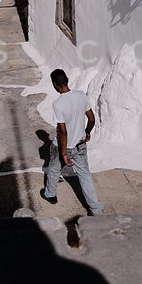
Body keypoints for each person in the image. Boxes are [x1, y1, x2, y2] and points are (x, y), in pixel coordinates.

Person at [41, 69, 105, 216]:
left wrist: (63, 153)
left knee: (54, 168)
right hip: (81, 144)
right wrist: (87, 132)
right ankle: (96, 209)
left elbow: (63, 131)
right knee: (84, 175)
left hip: (62, 146)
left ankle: (50, 194)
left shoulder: (58, 104)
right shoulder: (81, 96)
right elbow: (92, 118)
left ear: (55, 84)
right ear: (67, 79)